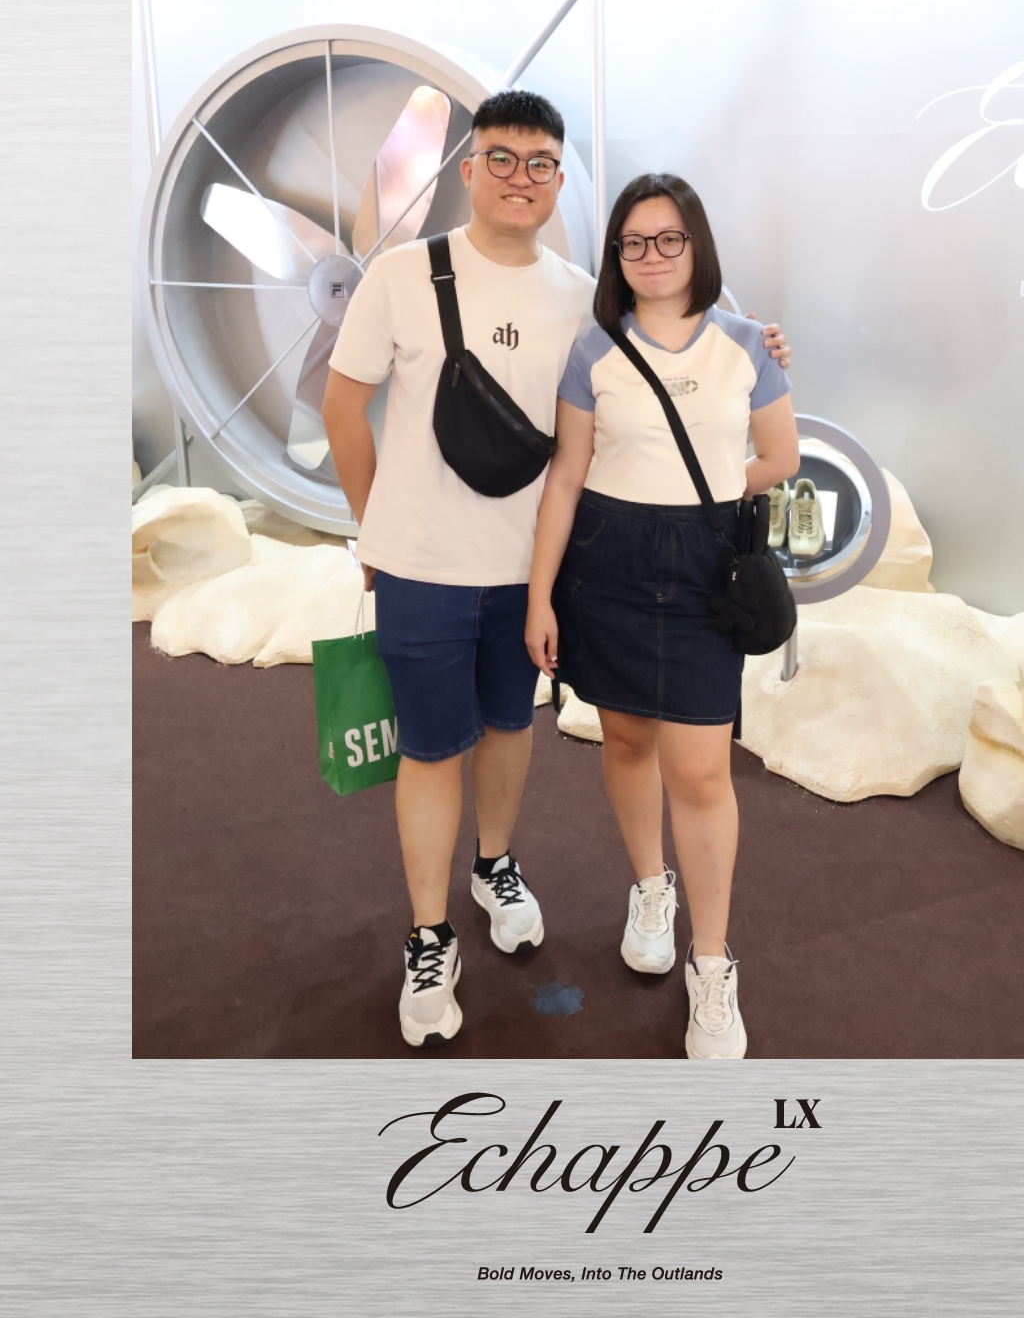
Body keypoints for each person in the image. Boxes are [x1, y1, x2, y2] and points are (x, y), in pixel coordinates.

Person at [323, 97, 792, 1051]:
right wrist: (375, 533)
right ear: (467, 169)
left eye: (540, 162)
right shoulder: (402, 276)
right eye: (501, 158)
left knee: (509, 728)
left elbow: (679, 348)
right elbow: (343, 407)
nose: (520, 177)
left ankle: (495, 866)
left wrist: (763, 345)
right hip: (423, 563)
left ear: (560, 180)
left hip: (536, 566)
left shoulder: (583, 297)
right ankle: (429, 936)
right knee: (430, 746)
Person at [525, 172, 800, 1060]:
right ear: (617, 255)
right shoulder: (593, 352)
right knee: (627, 739)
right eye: (634, 242)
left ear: (696, 246)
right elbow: (566, 476)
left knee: (702, 770)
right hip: (604, 563)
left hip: (701, 569)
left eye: (669, 238)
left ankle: (711, 962)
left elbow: (781, 455)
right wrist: (540, 595)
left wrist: (706, 494)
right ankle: (652, 887)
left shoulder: (746, 344)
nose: (652, 255)